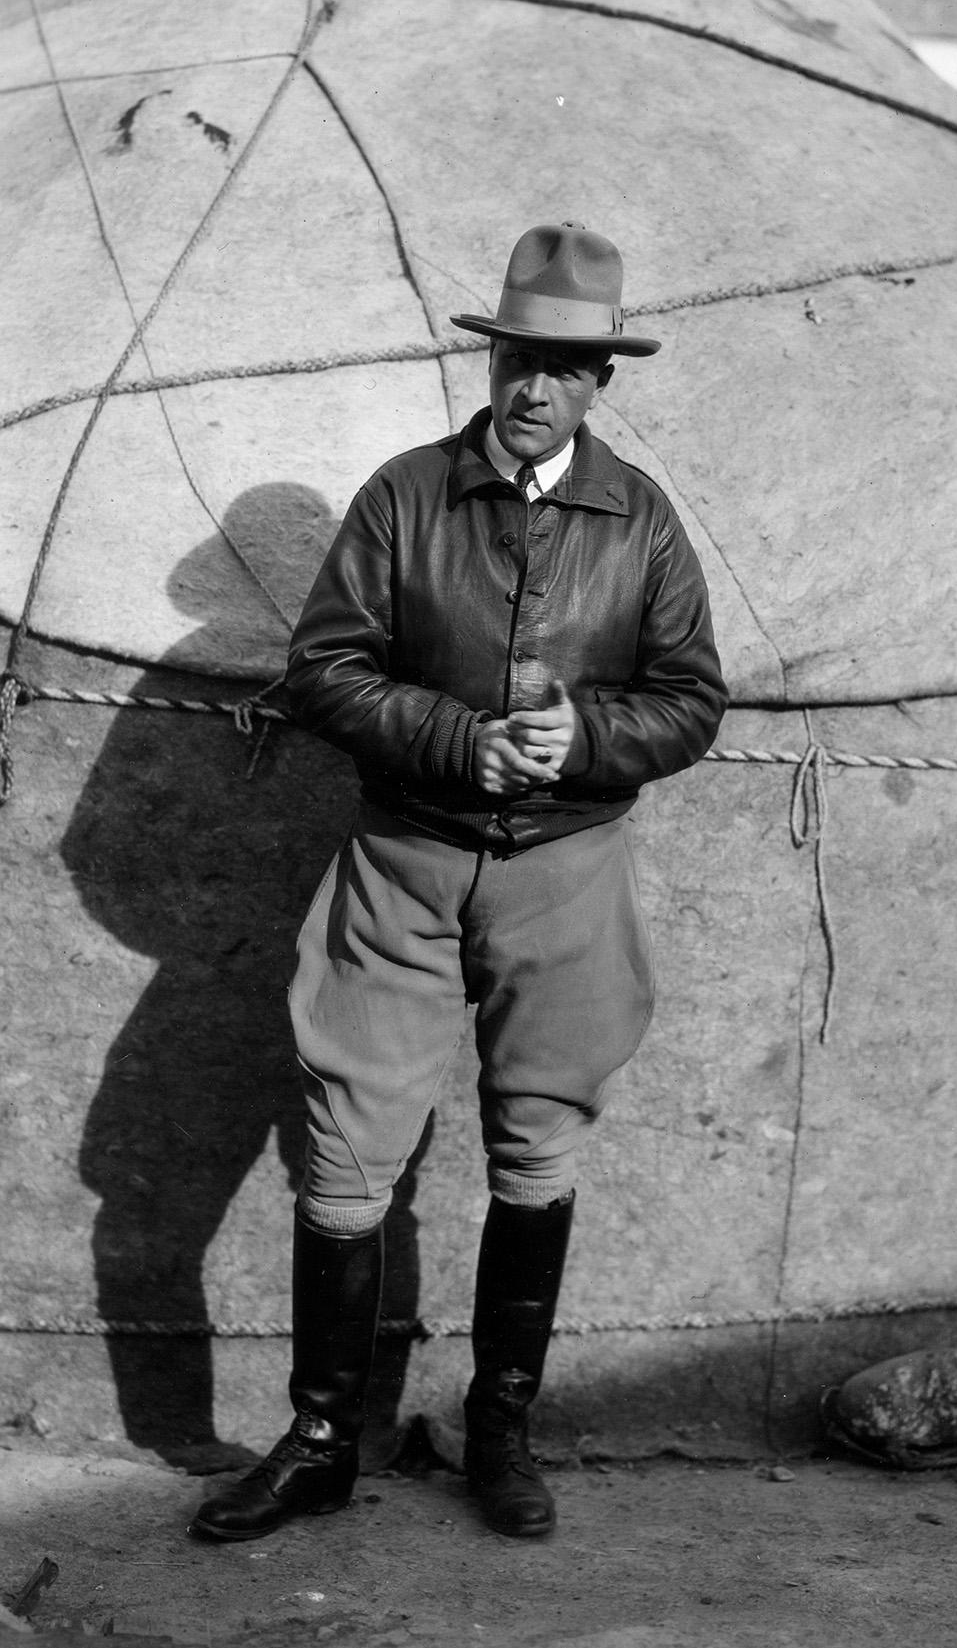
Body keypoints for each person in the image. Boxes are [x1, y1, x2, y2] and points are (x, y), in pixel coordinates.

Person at [189, 222, 727, 1545]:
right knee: (345, 1144)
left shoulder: (641, 522)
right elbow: (326, 670)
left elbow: (693, 697)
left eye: (566, 365)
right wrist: (456, 737)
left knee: (538, 1141)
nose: (534, 386)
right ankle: (322, 1437)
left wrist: (584, 736)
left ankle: (501, 1426)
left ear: (603, 380)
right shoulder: (403, 499)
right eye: (517, 358)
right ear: (492, 362)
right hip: (406, 859)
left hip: (565, 869)